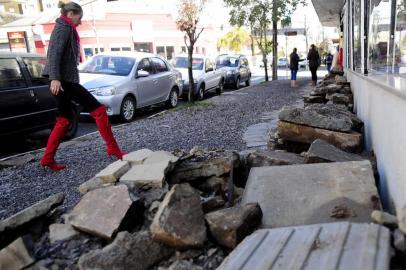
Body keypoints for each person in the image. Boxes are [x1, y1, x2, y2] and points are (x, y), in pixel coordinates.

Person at [41, 1, 126, 171]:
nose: (80, 22)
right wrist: (55, 78)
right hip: (63, 80)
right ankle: (113, 148)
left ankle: (47, 159)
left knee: (64, 119)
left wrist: (55, 78)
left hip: (62, 79)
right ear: (71, 14)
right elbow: (54, 54)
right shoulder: (63, 28)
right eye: (79, 18)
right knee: (99, 110)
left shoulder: (64, 27)